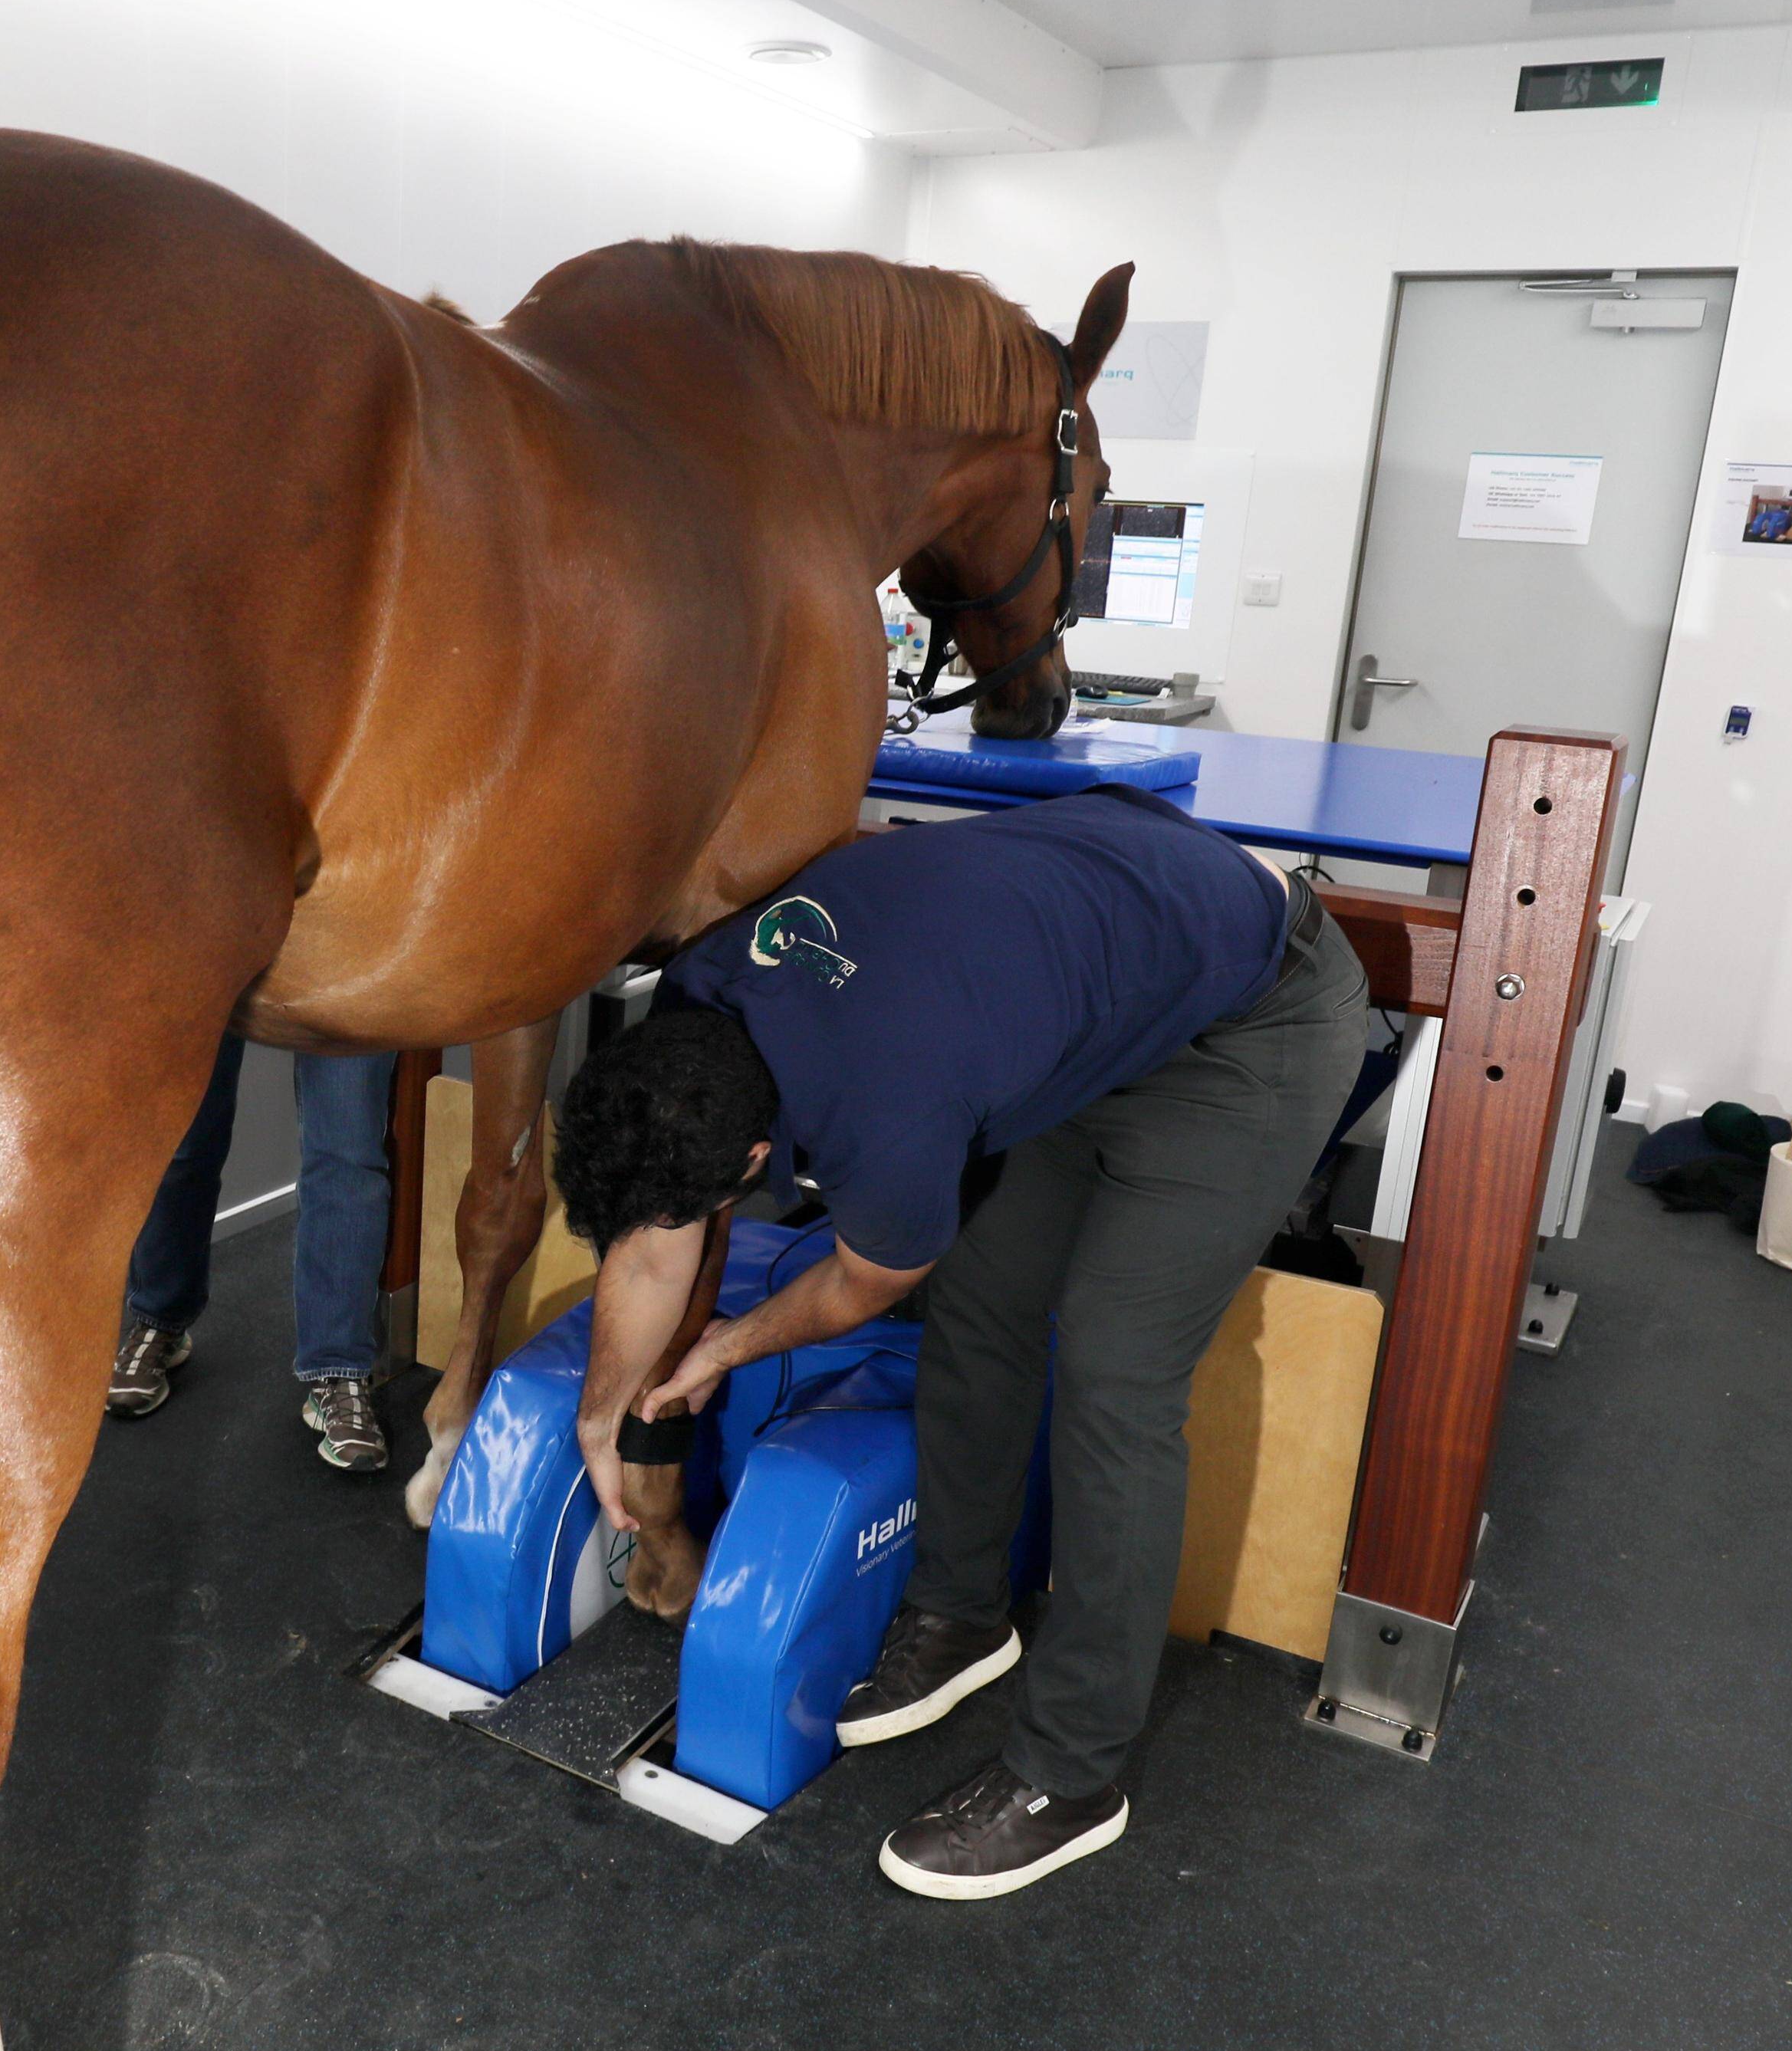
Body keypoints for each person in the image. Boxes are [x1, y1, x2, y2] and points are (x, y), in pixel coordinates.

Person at [551, 787, 1368, 1899]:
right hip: (1087, 997)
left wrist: (725, 1348)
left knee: (1117, 1374)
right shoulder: (700, 998)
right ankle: (963, 1614)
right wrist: (605, 1404)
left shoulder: (884, 1109)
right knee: (984, 1299)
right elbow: (654, 1245)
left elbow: (865, 1284)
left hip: (1250, 1022)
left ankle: (1071, 1775)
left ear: (755, 1159)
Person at [108, 1037, 399, 1473]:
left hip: (340, 970)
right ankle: (159, 1321)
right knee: (182, 1135)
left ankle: (338, 1369)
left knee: (349, 1153)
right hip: (205, 966)